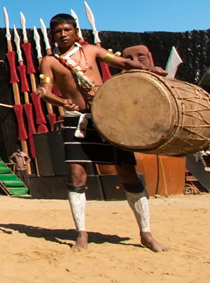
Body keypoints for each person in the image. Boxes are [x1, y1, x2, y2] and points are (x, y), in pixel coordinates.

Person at [36, 13, 168, 252]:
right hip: (76, 121)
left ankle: (146, 233)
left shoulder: (92, 51)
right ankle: (81, 233)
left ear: (76, 32)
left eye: (67, 29)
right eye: (58, 31)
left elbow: (123, 63)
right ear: (52, 36)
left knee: (127, 172)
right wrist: (59, 101)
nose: (63, 34)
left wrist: (148, 69)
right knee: (76, 176)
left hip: (108, 118)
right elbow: (45, 91)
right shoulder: (49, 61)